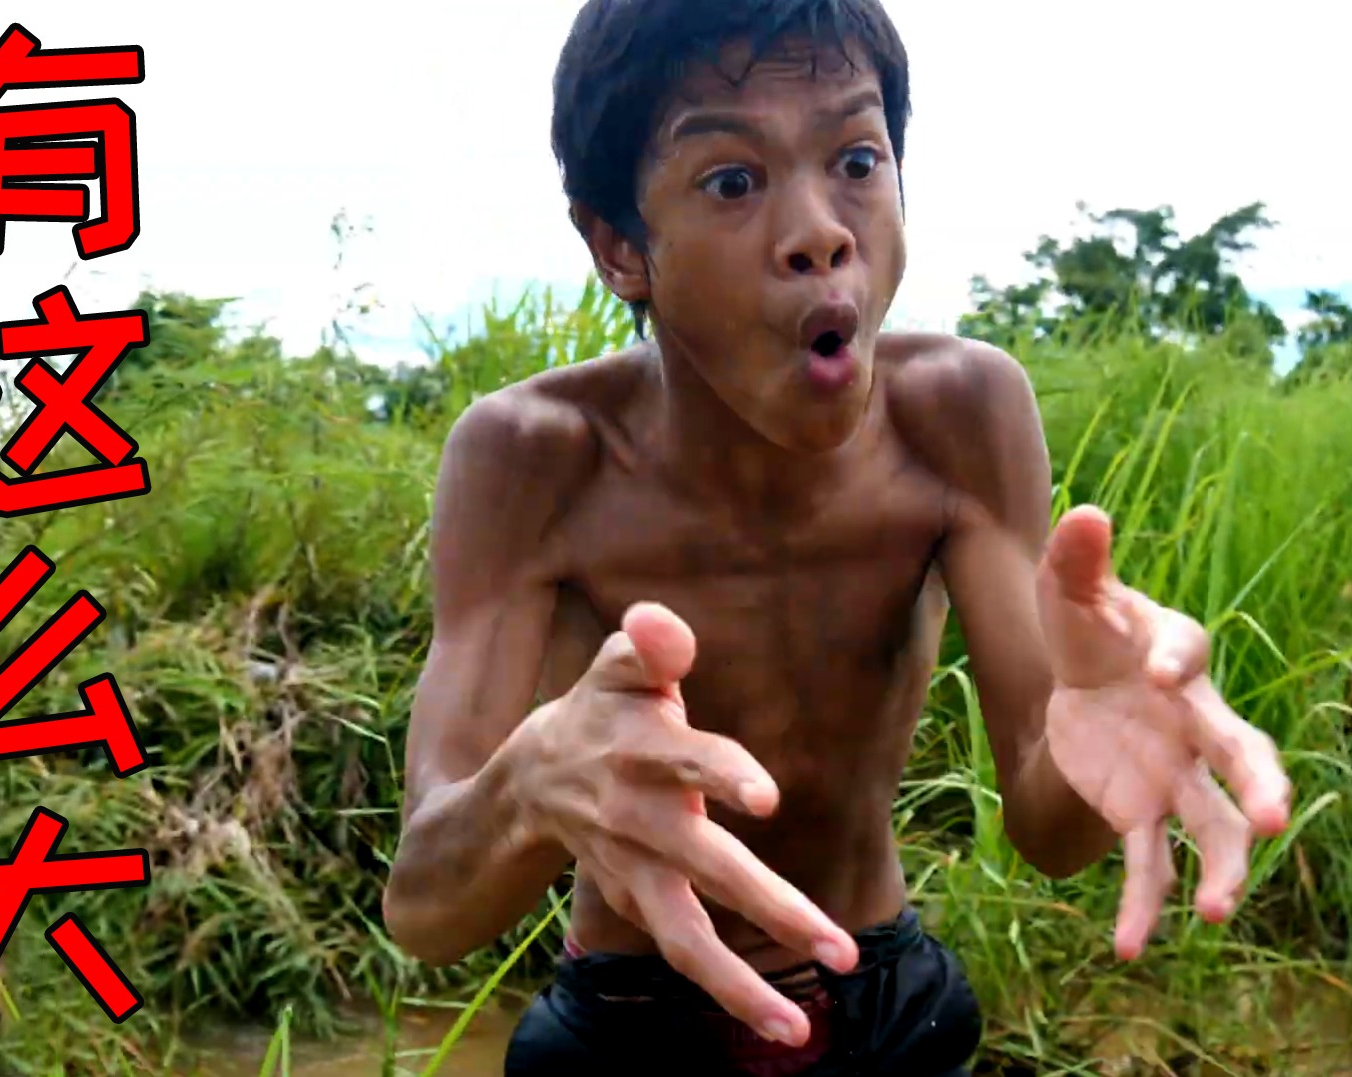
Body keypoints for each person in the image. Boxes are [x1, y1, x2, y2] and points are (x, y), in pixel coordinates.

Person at [381, 1, 1293, 1073]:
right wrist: (530, 783)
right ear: (621, 246)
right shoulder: (532, 456)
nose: (820, 231)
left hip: (886, 1003)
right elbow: (425, 908)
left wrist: (1101, 721)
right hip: (631, 1020)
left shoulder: (961, 413)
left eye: (857, 160)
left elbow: (1049, 829)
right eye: (733, 180)